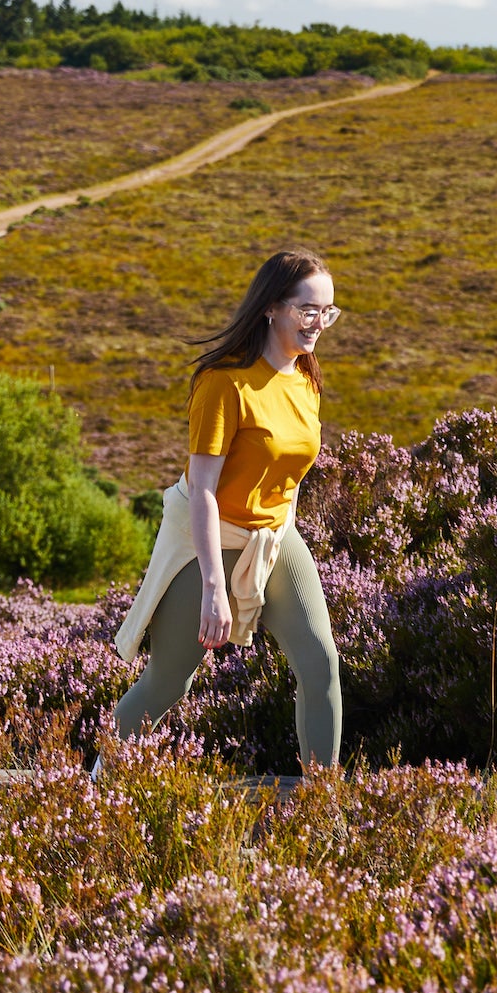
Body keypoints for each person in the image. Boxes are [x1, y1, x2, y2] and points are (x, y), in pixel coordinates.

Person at [111, 248, 343, 770]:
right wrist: (217, 587)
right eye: (309, 310)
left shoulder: (306, 378)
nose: (319, 324)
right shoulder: (223, 382)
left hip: (273, 536)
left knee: (320, 662)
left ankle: (324, 807)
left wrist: (277, 530)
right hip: (207, 538)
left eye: (327, 311)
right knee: (169, 681)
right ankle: (94, 787)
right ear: (271, 307)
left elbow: (290, 469)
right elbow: (205, 491)